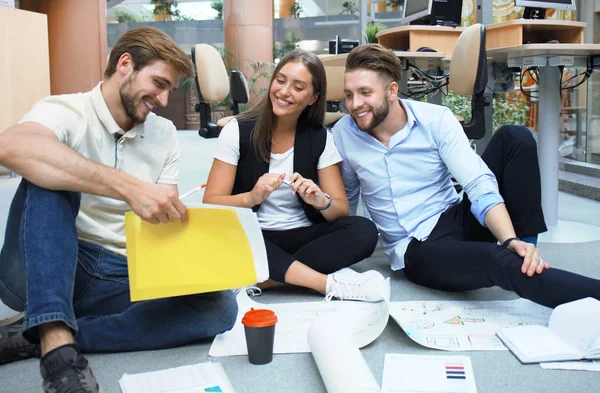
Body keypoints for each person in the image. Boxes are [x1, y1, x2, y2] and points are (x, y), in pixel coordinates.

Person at [0, 27, 238, 393]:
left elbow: (164, 223)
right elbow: (11, 147)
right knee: (48, 176)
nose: (161, 98)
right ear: (125, 64)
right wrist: (129, 187)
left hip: (123, 273)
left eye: (169, 90)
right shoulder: (65, 110)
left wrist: (200, 263)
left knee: (221, 307)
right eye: (158, 83)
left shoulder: (163, 134)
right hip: (53, 260)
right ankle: (60, 356)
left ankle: (43, 332)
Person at [331, 44, 600, 309]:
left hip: (455, 216)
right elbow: (348, 200)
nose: (355, 104)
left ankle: (526, 250)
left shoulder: (435, 119)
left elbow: (476, 181)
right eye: (349, 94)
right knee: (494, 261)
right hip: (418, 249)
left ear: (391, 90)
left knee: (514, 137)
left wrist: (509, 239)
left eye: (365, 92)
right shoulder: (344, 132)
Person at [203, 49, 386, 302]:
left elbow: (341, 210)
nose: (284, 92)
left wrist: (321, 200)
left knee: (363, 231)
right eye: (280, 80)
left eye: (298, 87)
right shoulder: (237, 130)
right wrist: (251, 197)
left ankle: (263, 280)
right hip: (252, 235)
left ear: (313, 97)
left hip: (301, 237)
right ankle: (325, 284)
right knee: (215, 237)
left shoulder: (321, 138)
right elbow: (211, 202)